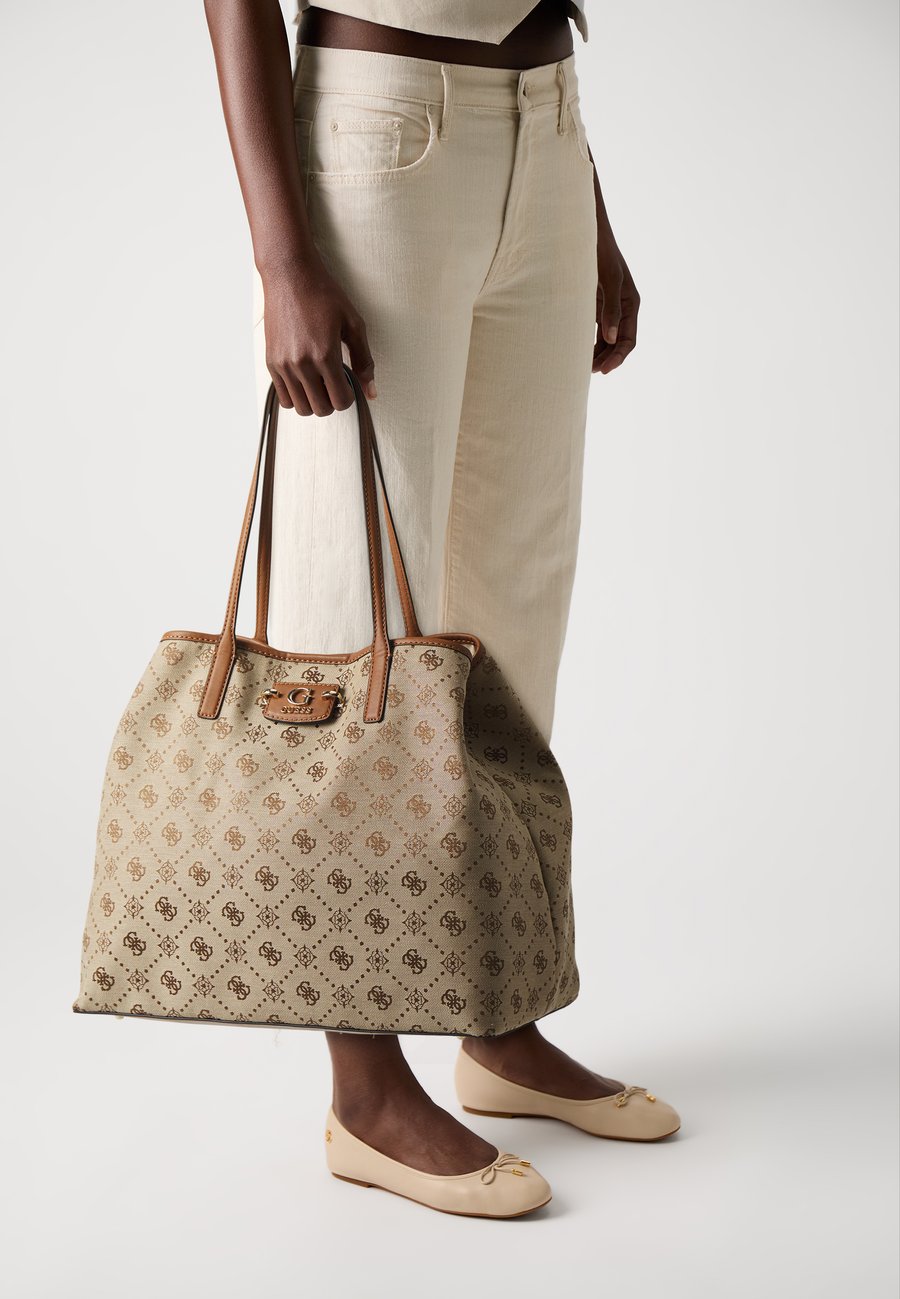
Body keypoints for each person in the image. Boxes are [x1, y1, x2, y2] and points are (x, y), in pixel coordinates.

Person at [203, 0, 679, 1218]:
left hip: (548, 130)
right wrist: (281, 260)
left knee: (512, 612)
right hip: (380, 137)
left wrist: (587, 210)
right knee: (353, 615)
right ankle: (364, 1091)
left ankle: (497, 1021)